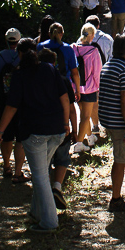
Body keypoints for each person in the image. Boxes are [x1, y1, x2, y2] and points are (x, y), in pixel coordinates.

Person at [0, 39, 70, 232]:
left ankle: (49, 222)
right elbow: (65, 98)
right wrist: (66, 123)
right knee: (42, 173)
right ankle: (36, 213)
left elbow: (12, 106)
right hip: (57, 131)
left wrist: (0, 131)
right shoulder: (49, 69)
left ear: (20, 57)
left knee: (40, 176)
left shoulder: (19, 75)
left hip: (35, 132)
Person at [98, 33, 125, 212]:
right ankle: (116, 199)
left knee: (121, 153)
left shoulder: (108, 65)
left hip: (107, 118)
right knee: (119, 159)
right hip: (118, 121)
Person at [0, 27, 27, 184]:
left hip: (4, 101)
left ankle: (6, 166)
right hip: (21, 102)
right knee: (21, 139)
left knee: (6, 136)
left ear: (6, 40)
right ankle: (18, 171)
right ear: (19, 40)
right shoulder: (24, 57)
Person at [38, 48, 78, 210]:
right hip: (62, 126)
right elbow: (71, 107)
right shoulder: (63, 80)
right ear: (55, 63)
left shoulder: (35, 81)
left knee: (45, 160)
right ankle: (57, 187)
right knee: (62, 158)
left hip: (41, 126)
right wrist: (74, 129)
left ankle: (46, 191)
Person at [72, 23, 103, 153]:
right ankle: (79, 143)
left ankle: (90, 137)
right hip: (90, 88)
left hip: (77, 87)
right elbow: (97, 72)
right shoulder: (94, 51)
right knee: (86, 116)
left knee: (82, 112)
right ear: (92, 36)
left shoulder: (73, 48)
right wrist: (99, 87)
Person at [85, 15, 113, 136]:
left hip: (88, 77)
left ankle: (95, 126)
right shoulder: (107, 39)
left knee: (92, 102)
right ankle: (108, 125)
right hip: (104, 74)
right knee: (106, 101)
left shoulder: (81, 41)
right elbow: (112, 57)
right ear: (98, 25)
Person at [37, 22, 81, 101]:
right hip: (63, 85)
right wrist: (78, 90)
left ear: (49, 34)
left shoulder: (40, 47)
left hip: (43, 85)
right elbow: (74, 72)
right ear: (62, 34)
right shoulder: (68, 49)